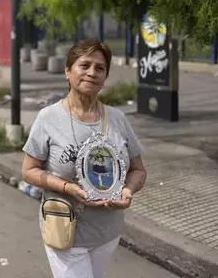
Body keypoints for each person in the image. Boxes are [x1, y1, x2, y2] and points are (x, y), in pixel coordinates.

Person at [21, 39, 147, 278]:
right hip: (65, 229)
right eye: (84, 65)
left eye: (100, 68)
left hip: (107, 232)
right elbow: (29, 170)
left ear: (105, 77)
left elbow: (138, 170)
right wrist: (66, 187)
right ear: (67, 71)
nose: (92, 72)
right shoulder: (48, 118)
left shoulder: (118, 119)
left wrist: (128, 190)